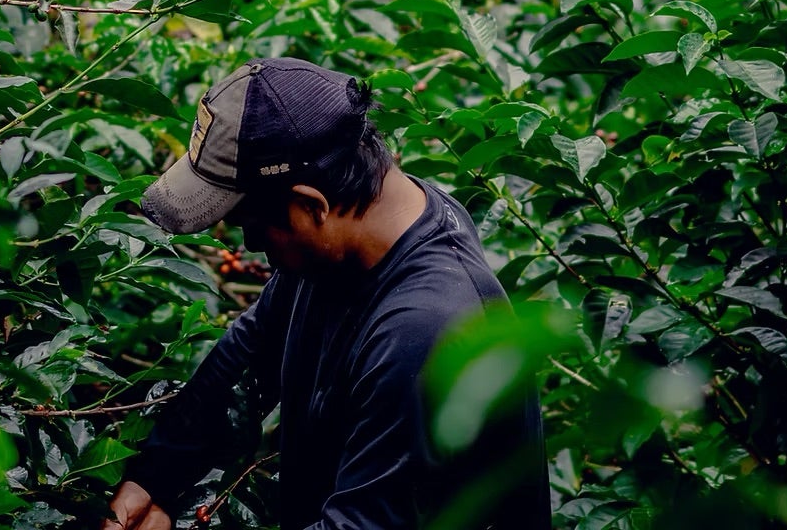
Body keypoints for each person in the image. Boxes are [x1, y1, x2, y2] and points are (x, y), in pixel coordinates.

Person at [102, 57, 549, 530]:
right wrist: (152, 480)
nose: (249, 247)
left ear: (311, 206)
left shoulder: (427, 331)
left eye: (250, 229)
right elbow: (248, 356)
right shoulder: (362, 232)